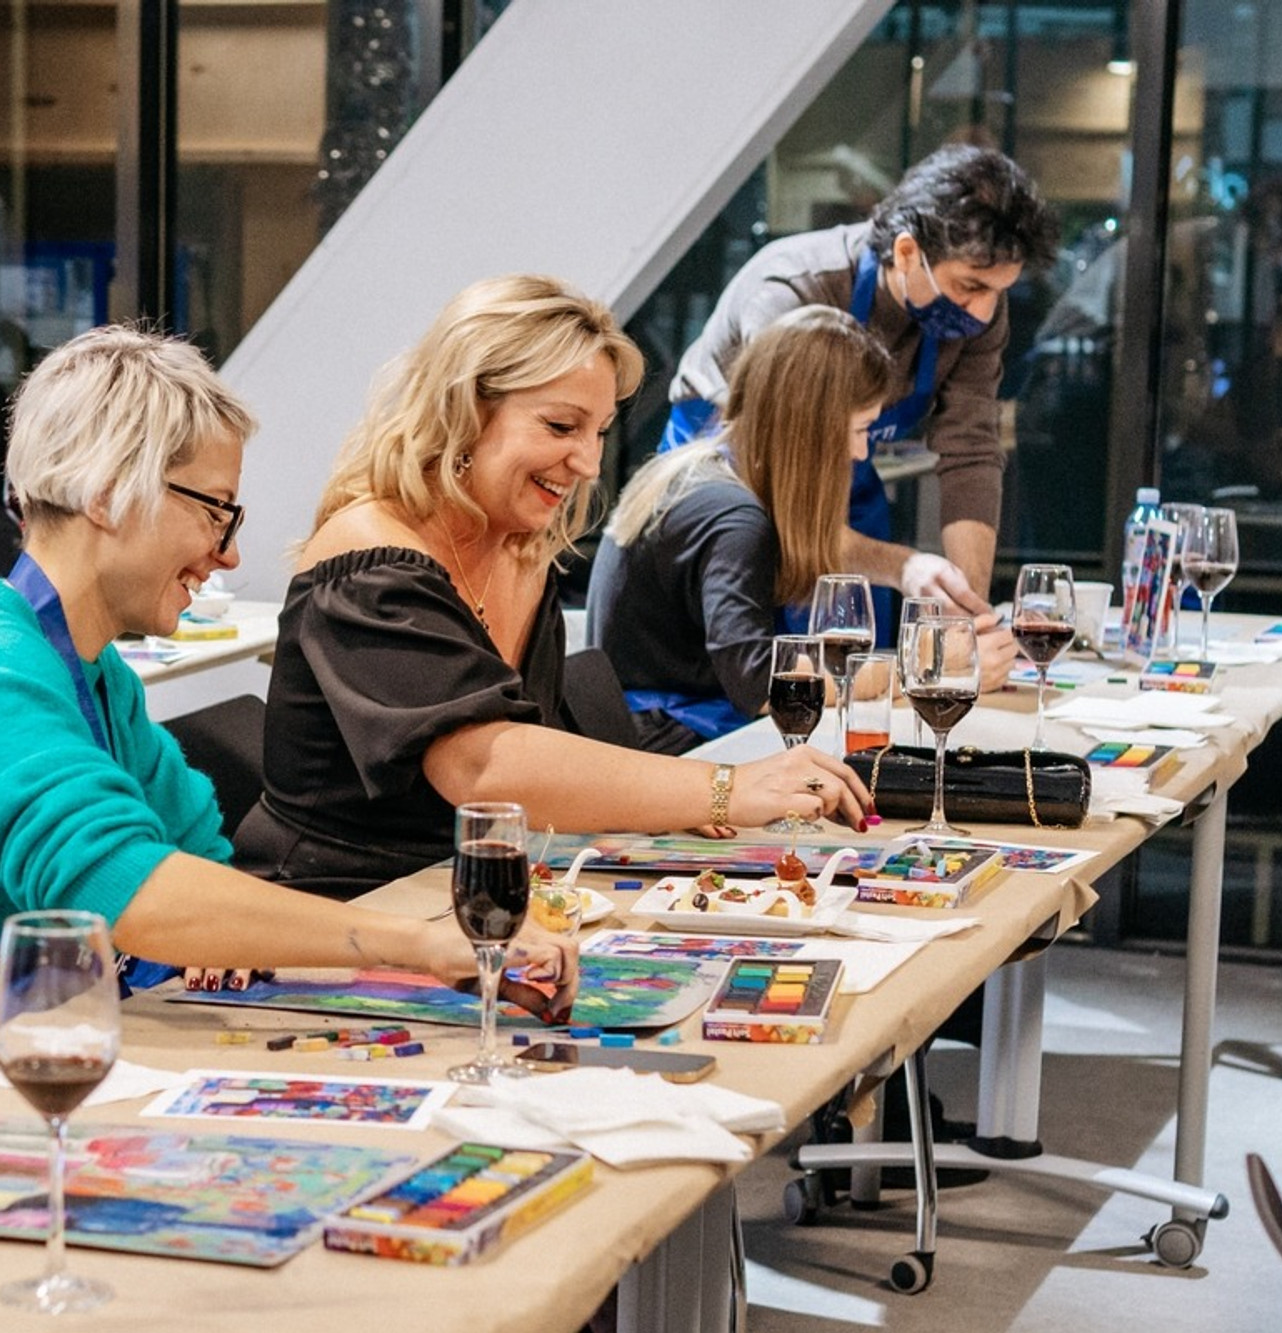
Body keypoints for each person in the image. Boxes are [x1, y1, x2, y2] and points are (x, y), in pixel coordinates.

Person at [0, 325, 576, 1119]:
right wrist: (422, 945)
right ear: (105, 492)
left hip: (52, 1036)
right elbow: (131, 892)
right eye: (215, 511)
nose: (228, 553)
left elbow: (199, 858)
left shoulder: (87, 666)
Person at [235, 275, 872, 902]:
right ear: (463, 408)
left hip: (459, 895)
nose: (590, 464)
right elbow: (483, 767)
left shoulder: (519, 548)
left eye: (598, 433)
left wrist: (664, 796)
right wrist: (720, 786)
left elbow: (532, 756)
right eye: (562, 427)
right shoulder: (369, 556)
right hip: (331, 907)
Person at [662, 144, 1060, 631]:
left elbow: (971, 450)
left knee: (861, 646)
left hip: (847, 471)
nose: (982, 313)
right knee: (760, 657)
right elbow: (790, 495)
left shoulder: (981, 314)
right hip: (738, 470)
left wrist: (968, 612)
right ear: (908, 251)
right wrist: (904, 566)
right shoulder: (794, 289)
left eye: (999, 292)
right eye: (970, 287)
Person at [586, 307, 897, 755]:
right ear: (810, 430)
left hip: (638, 734)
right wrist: (905, 674)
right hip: (672, 748)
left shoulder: (693, 472)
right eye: (858, 430)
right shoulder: (738, 521)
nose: (860, 451)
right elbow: (760, 685)